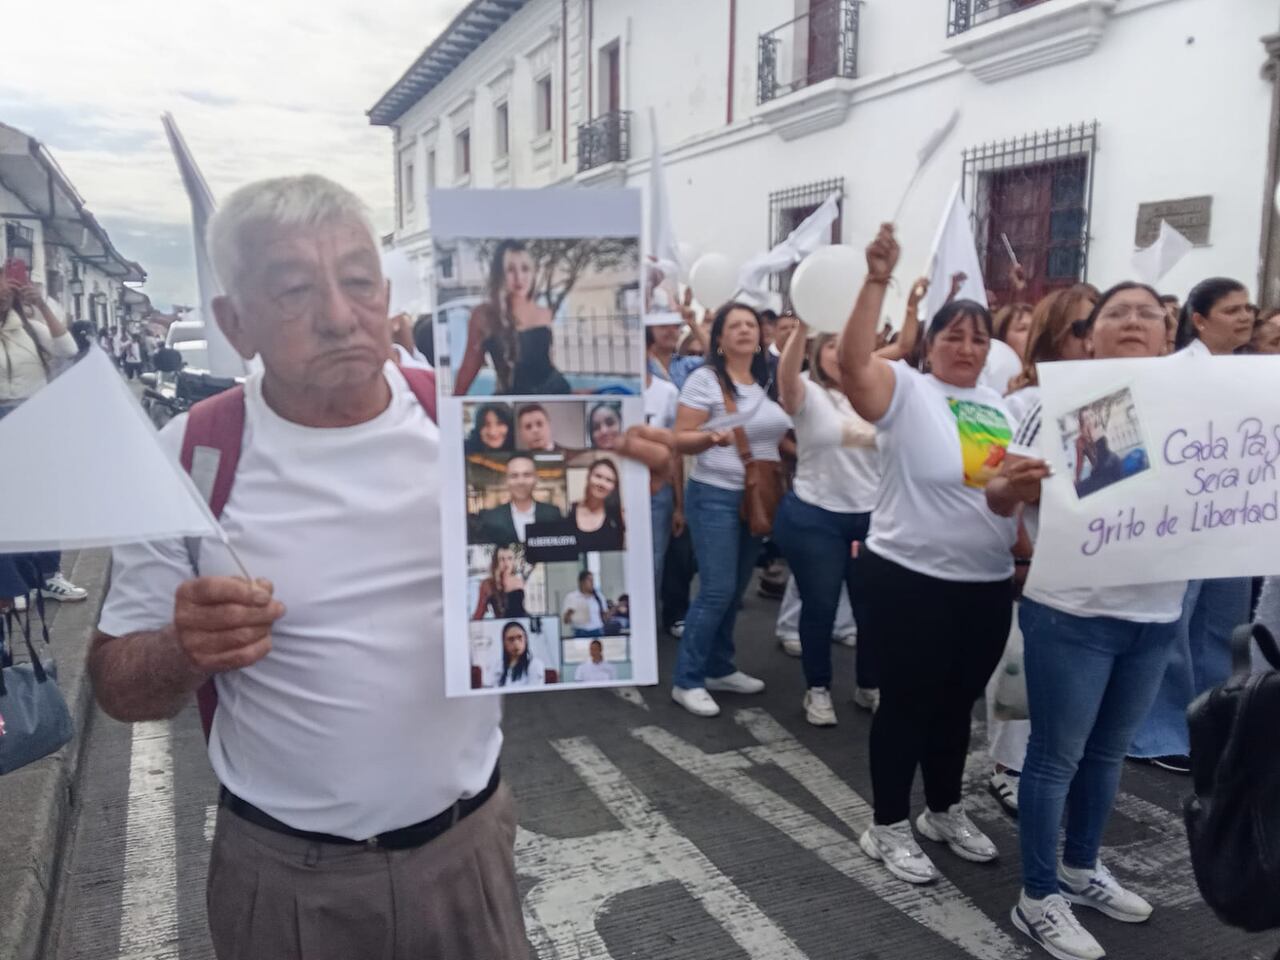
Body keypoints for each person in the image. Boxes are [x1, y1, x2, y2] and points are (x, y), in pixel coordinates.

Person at [86, 174, 673, 960]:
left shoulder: (475, 426)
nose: (338, 316)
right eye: (294, 290)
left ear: (386, 290)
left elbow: (556, 598)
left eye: (358, 282)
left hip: (469, 851)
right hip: (286, 880)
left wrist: (623, 499)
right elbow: (117, 682)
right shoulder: (195, 454)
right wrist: (183, 648)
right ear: (235, 322)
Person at [987, 281, 1184, 960]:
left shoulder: (1195, 407)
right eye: (1116, 313)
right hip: (1073, 613)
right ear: (1089, 335)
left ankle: (1079, 868)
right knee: (1056, 757)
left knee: (1107, 755)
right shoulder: (1054, 403)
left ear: (1169, 332)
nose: (1133, 322)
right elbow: (995, 493)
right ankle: (1038, 896)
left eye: (1147, 314)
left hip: (1155, 613)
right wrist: (1016, 484)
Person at [838, 224, 1015, 884]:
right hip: (910, 579)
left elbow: (989, 492)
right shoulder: (907, 391)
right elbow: (853, 365)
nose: (967, 347)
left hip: (985, 583)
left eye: (979, 336)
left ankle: (941, 810)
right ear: (929, 344)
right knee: (908, 704)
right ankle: (884, 824)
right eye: (953, 335)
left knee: (956, 704)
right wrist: (877, 278)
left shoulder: (995, 406)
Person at [1130, 276, 1255, 773]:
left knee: (1223, 625)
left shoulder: (1255, 374)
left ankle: (1211, 721)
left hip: (1237, 517)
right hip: (1186, 516)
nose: (1245, 317)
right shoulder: (1173, 373)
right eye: (1232, 310)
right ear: (1199, 320)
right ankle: (1157, 733)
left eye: (1248, 308)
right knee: (1178, 626)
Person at [986, 283, 1097, 816]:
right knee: (1022, 673)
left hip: (1096, 567)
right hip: (1040, 564)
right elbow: (998, 486)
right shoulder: (1022, 404)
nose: (1095, 335)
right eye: (1083, 327)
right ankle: (1008, 767)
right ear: (1056, 338)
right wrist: (1023, 553)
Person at [671, 302, 792, 718]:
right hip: (715, 495)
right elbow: (680, 438)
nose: (744, 330)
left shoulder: (768, 380)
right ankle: (687, 679)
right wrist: (709, 440)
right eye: (734, 325)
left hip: (755, 498)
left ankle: (719, 668)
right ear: (719, 339)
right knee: (717, 589)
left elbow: (779, 435)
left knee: (736, 588)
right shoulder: (705, 380)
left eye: (750, 325)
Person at [770, 321, 880, 726]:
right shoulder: (807, 391)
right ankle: (817, 689)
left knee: (872, 611)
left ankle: (868, 685)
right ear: (817, 353)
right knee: (821, 605)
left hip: (871, 517)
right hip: (815, 516)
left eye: (846, 344)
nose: (838, 351)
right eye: (830, 345)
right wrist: (803, 326)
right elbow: (785, 377)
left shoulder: (876, 394)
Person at [0, 279, 88, 604]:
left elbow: (68, 349)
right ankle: (13, 583)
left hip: (33, 416)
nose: (3, 295)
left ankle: (49, 575)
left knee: (43, 500)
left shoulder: (31, 328)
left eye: (6, 289)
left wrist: (42, 306)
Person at [454, 240, 569, 396]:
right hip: (511, 399)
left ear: (533, 273)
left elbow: (547, 363)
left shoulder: (544, 313)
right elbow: (469, 368)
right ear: (499, 274)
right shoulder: (483, 316)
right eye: (510, 269)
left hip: (555, 392)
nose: (519, 277)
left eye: (525, 269)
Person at [473, 454, 563, 545]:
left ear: (535, 479)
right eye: (514, 476)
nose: (521, 482)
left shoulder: (552, 514)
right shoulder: (491, 518)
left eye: (527, 475)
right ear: (507, 480)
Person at [568, 459, 624, 551]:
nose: (601, 484)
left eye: (609, 480)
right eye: (598, 476)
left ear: (614, 486)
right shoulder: (569, 510)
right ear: (588, 477)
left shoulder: (618, 516)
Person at [472, 546, 527, 619]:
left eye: (510, 558)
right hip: (501, 624)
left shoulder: (518, 581)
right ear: (496, 562)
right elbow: (479, 613)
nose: (506, 563)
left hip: (521, 622)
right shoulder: (487, 584)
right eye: (501, 559)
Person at [497, 621, 546, 688]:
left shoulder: (535, 664)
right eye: (511, 639)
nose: (516, 643)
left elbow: (535, 694)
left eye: (520, 637)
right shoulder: (498, 666)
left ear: (525, 639)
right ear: (504, 643)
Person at [561, 570, 608, 638]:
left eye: (593, 581)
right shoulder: (572, 597)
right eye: (589, 580)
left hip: (597, 631)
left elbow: (605, 616)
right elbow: (566, 621)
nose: (592, 583)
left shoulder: (598, 597)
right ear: (581, 582)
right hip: (580, 631)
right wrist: (570, 612)